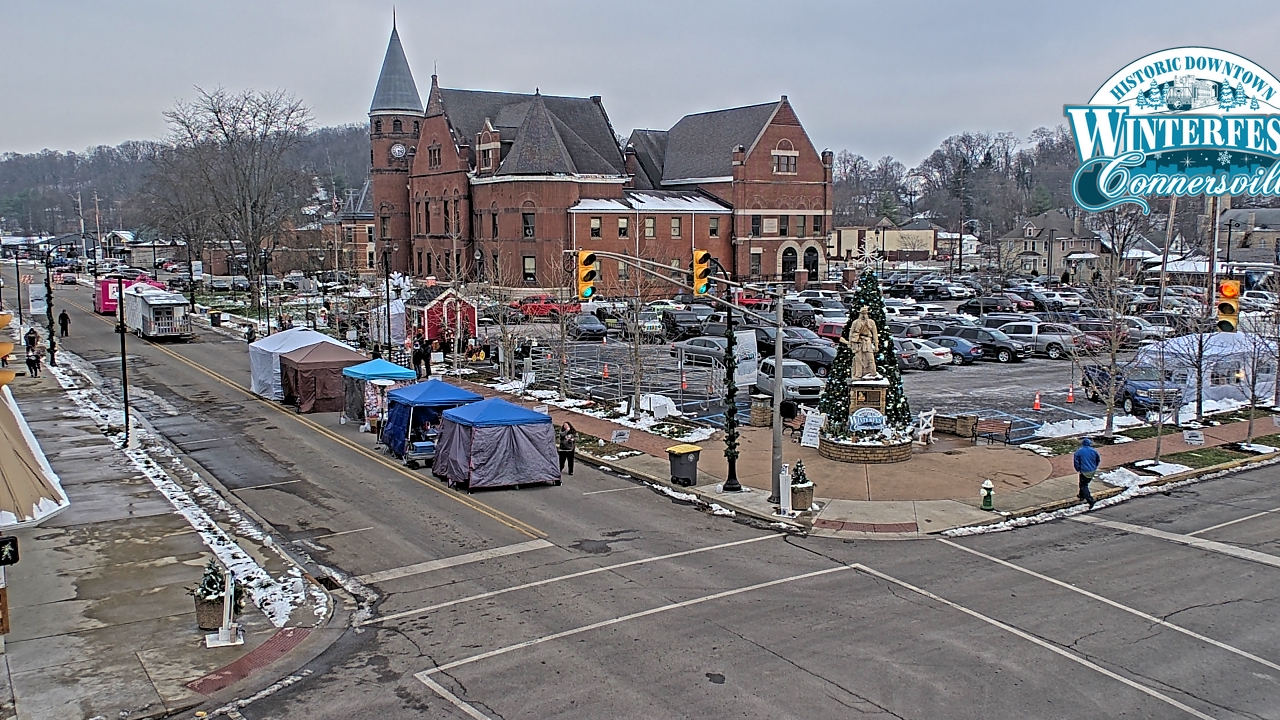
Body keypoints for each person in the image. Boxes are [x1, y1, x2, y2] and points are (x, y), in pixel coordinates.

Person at [1073, 437, 1100, 509]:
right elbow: (1098, 460)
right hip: (1092, 470)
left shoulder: (1079, 451)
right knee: (1083, 483)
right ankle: (1081, 495)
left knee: (1083, 485)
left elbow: (1076, 462)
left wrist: (1078, 469)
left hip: (1084, 471)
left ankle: (1090, 500)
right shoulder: (1094, 451)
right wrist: (1094, 466)